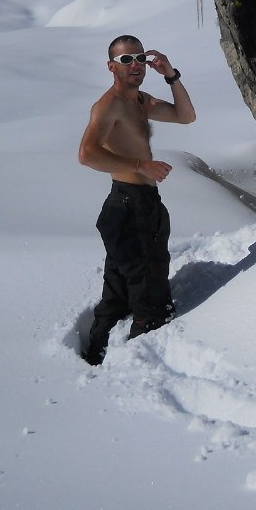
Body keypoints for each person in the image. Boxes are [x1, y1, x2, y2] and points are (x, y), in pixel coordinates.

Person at [78, 35, 196, 365]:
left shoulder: (140, 101)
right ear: (111, 66)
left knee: (118, 289)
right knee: (149, 295)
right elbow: (87, 154)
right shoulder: (109, 105)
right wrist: (140, 165)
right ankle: (136, 369)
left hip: (138, 203)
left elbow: (186, 116)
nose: (135, 65)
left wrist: (171, 75)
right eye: (126, 59)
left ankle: (94, 355)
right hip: (129, 204)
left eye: (139, 58)